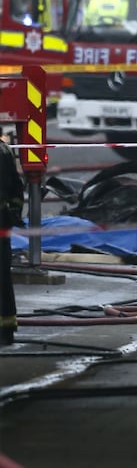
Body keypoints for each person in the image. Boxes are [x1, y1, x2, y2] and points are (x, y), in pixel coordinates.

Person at [0, 127, 25, 346]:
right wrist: (13, 214)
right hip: (3, 225)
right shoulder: (5, 150)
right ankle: (6, 330)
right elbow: (17, 190)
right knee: (3, 279)